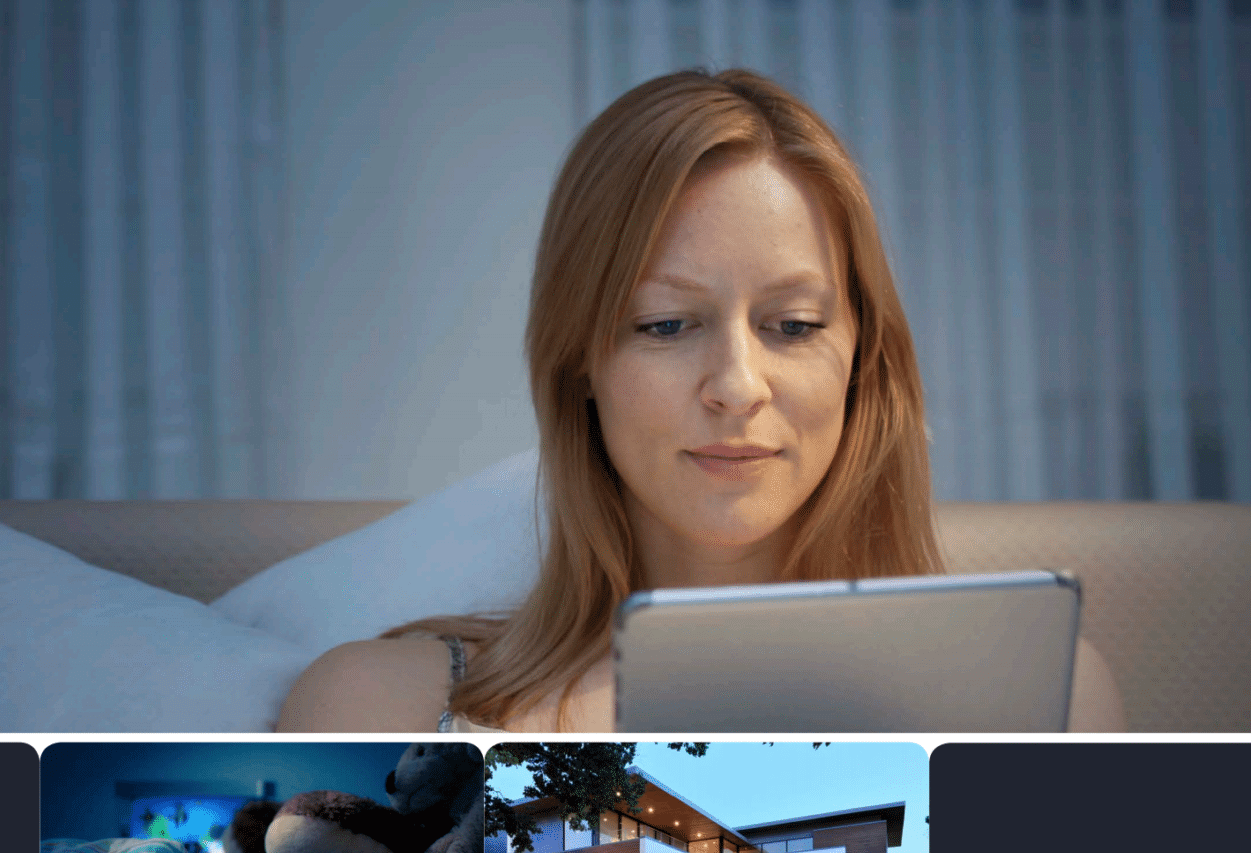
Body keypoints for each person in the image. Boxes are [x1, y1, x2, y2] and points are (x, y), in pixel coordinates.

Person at [276, 68, 1126, 734]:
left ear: (863, 358)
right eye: (668, 323)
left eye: (792, 325)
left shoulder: (1050, 699)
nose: (736, 386)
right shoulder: (372, 706)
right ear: (580, 358)